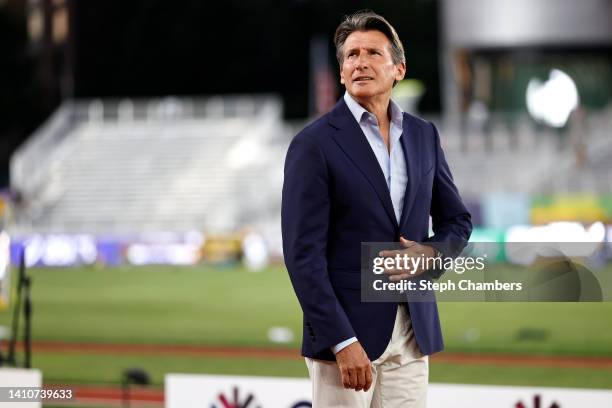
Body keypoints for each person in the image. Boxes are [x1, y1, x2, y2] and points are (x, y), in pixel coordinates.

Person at [281, 10, 471, 407]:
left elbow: (457, 220)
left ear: (399, 68)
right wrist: (341, 340)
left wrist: (432, 253)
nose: (360, 62)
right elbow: (303, 256)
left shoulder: (423, 135)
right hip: (346, 339)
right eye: (351, 55)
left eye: (372, 53)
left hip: (412, 333)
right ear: (341, 72)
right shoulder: (313, 144)